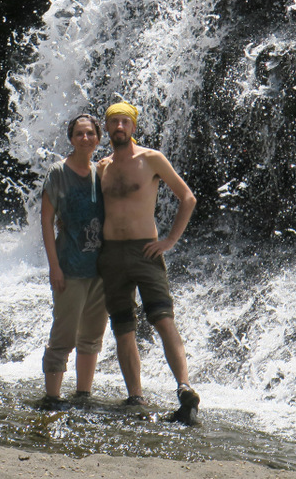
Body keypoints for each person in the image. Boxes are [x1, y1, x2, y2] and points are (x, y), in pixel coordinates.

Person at [96, 100, 201, 425]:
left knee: (162, 317)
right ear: (107, 128)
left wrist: (169, 241)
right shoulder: (103, 167)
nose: (119, 127)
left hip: (146, 250)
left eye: (125, 122)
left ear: (134, 127)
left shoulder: (151, 159)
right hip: (111, 252)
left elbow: (188, 198)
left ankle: (184, 387)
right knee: (123, 326)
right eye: (114, 122)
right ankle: (135, 397)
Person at [39, 113, 109, 409]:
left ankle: (83, 394)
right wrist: (54, 267)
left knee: (92, 335)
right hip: (69, 267)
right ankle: (52, 397)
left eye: (90, 133)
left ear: (98, 138)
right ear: (71, 138)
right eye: (79, 134)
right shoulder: (58, 173)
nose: (85, 138)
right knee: (63, 335)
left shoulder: (102, 172)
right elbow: (45, 222)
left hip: (100, 270)